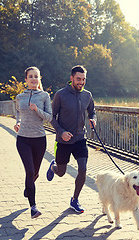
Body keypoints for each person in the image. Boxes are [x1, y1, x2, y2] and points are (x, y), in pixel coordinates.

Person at [46, 65, 96, 213]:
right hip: (63, 141)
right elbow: (51, 117)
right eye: (78, 79)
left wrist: (93, 119)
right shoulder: (60, 95)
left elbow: (92, 112)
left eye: (83, 79)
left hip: (80, 139)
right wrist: (61, 132)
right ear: (71, 78)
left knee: (83, 169)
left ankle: (74, 200)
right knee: (61, 172)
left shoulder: (87, 95)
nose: (81, 82)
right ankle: (53, 166)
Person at [14, 66, 52, 218]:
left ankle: (27, 188)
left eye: (36, 76)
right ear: (26, 79)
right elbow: (17, 111)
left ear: (39, 78)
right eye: (31, 76)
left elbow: (49, 117)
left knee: (35, 174)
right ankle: (33, 207)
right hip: (23, 140)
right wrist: (17, 122)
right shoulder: (20, 97)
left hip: (39, 140)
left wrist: (37, 110)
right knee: (29, 172)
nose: (34, 79)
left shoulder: (44, 96)